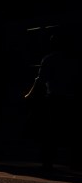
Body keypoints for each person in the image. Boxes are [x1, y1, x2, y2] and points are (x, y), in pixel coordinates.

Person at [24, 31, 80, 172]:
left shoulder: (49, 59)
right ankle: (74, 162)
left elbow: (40, 80)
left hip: (55, 98)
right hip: (71, 98)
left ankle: (48, 162)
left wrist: (29, 95)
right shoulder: (74, 60)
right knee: (72, 130)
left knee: (51, 130)